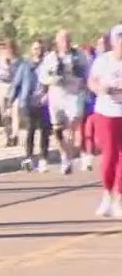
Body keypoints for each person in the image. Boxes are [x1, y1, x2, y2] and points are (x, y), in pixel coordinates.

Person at [38, 29, 90, 174]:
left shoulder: (79, 55)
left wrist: (85, 83)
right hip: (57, 94)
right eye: (62, 40)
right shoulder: (50, 57)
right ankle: (64, 155)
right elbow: (42, 77)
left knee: (73, 123)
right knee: (58, 129)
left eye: (67, 39)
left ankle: (69, 154)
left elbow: (88, 71)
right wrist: (52, 80)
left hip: (74, 94)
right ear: (57, 42)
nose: (65, 43)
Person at [87, 25, 122, 217]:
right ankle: (107, 194)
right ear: (113, 41)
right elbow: (92, 80)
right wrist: (100, 88)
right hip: (107, 112)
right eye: (119, 39)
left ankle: (119, 198)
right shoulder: (103, 61)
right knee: (109, 156)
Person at [12, 40, 52, 173]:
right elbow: (17, 84)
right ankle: (28, 157)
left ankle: (43, 159)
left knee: (45, 131)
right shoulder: (24, 66)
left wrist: (49, 94)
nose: (37, 51)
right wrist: (11, 101)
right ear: (31, 50)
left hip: (44, 102)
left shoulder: (48, 65)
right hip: (28, 102)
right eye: (35, 48)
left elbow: (54, 81)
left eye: (40, 48)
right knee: (30, 130)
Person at [0, 39, 22, 147]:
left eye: (8, 46)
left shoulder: (18, 59)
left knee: (15, 111)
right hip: (2, 85)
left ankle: (15, 135)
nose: (6, 49)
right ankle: (8, 136)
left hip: (13, 85)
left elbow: (19, 72)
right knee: (4, 113)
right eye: (4, 46)